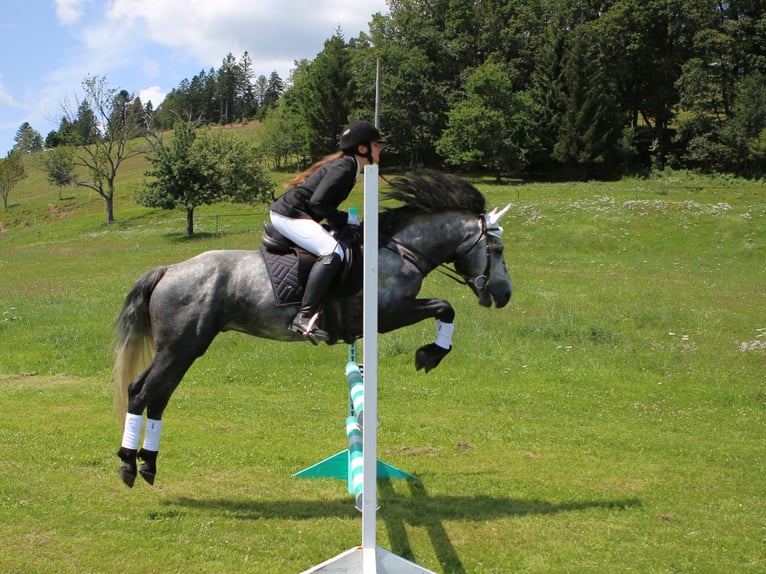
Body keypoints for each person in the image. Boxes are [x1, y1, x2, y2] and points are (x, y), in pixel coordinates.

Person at [269, 120, 382, 342]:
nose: (380, 149)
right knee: (333, 252)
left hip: (297, 213)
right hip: (289, 215)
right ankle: (303, 316)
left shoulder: (350, 166)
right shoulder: (346, 167)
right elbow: (318, 203)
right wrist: (345, 220)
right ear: (362, 148)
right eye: (376, 144)